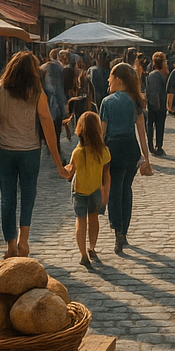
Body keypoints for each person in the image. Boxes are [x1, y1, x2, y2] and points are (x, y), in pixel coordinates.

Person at [0, 50, 67, 258]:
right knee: (28, 196)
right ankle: (24, 241)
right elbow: (48, 128)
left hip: (4, 151)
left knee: (7, 198)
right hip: (29, 151)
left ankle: (10, 245)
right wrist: (58, 163)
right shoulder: (36, 93)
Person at [99, 62, 152, 254]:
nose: (108, 80)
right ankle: (125, 231)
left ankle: (117, 231)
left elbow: (102, 133)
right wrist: (145, 158)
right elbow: (142, 133)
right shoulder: (134, 100)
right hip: (131, 149)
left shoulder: (107, 101)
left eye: (111, 76)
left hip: (113, 148)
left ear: (118, 79)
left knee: (114, 189)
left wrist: (98, 155)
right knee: (126, 189)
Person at [63, 110, 110, 267]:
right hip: (96, 190)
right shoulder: (103, 151)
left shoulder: (77, 152)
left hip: (79, 192)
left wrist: (61, 168)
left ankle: (83, 254)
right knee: (94, 218)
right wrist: (106, 193)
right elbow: (106, 175)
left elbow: (70, 172)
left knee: (80, 221)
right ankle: (92, 247)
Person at [145, 52, 168, 157]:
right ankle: (158, 146)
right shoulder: (160, 76)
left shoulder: (150, 75)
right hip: (160, 104)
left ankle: (151, 146)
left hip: (151, 104)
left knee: (150, 126)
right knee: (159, 126)